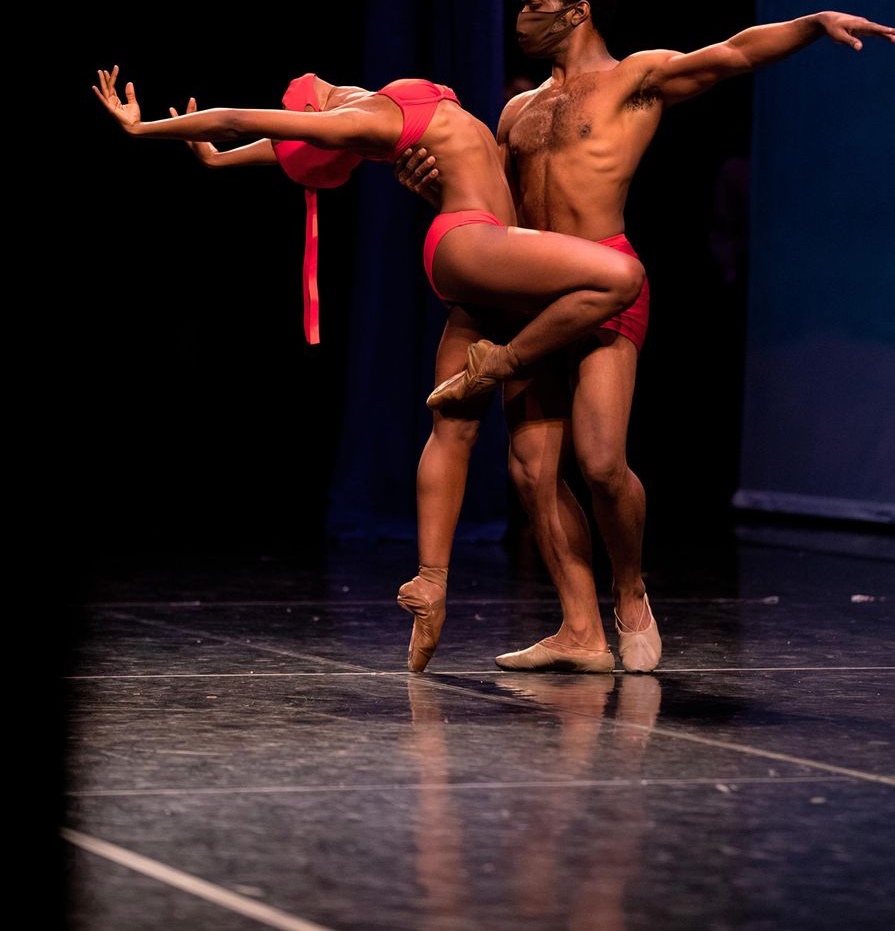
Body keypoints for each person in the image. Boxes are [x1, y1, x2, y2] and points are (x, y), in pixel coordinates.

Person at [396, 0, 895, 673]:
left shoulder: (636, 79)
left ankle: (629, 592)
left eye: (534, 4)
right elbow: (494, 211)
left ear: (579, 11)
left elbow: (729, 53)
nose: (519, 18)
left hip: (602, 287)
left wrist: (811, 23)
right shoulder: (515, 110)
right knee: (532, 469)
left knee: (601, 464)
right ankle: (579, 630)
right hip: (529, 295)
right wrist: (431, 190)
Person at [92, 64, 645, 671]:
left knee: (453, 422)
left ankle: (431, 583)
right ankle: (506, 362)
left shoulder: (375, 113)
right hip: (474, 244)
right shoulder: (370, 116)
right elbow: (243, 118)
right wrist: (143, 130)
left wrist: (222, 162)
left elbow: (278, 138)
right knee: (618, 276)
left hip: (480, 269)